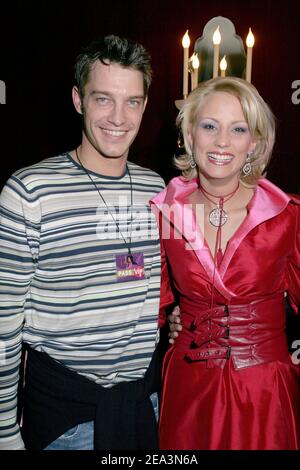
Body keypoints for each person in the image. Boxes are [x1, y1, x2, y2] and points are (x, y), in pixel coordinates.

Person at [0, 35, 166, 450]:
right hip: (68, 422)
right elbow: (3, 326)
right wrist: (5, 431)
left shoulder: (156, 188)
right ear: (78, 99)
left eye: (132, 101)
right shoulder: (29, 192)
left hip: (147, 407)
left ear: (145, 106)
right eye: (102, 99)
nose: (118, 117)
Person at [151, 76, 300, 450]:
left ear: (254, 143)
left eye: (238, 129)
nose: (221, 142)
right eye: (209, 126)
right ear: (189, 134)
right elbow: (145, 303)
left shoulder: (288, 215)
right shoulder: (163, 213)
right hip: (188, 392)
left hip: (263, 392)